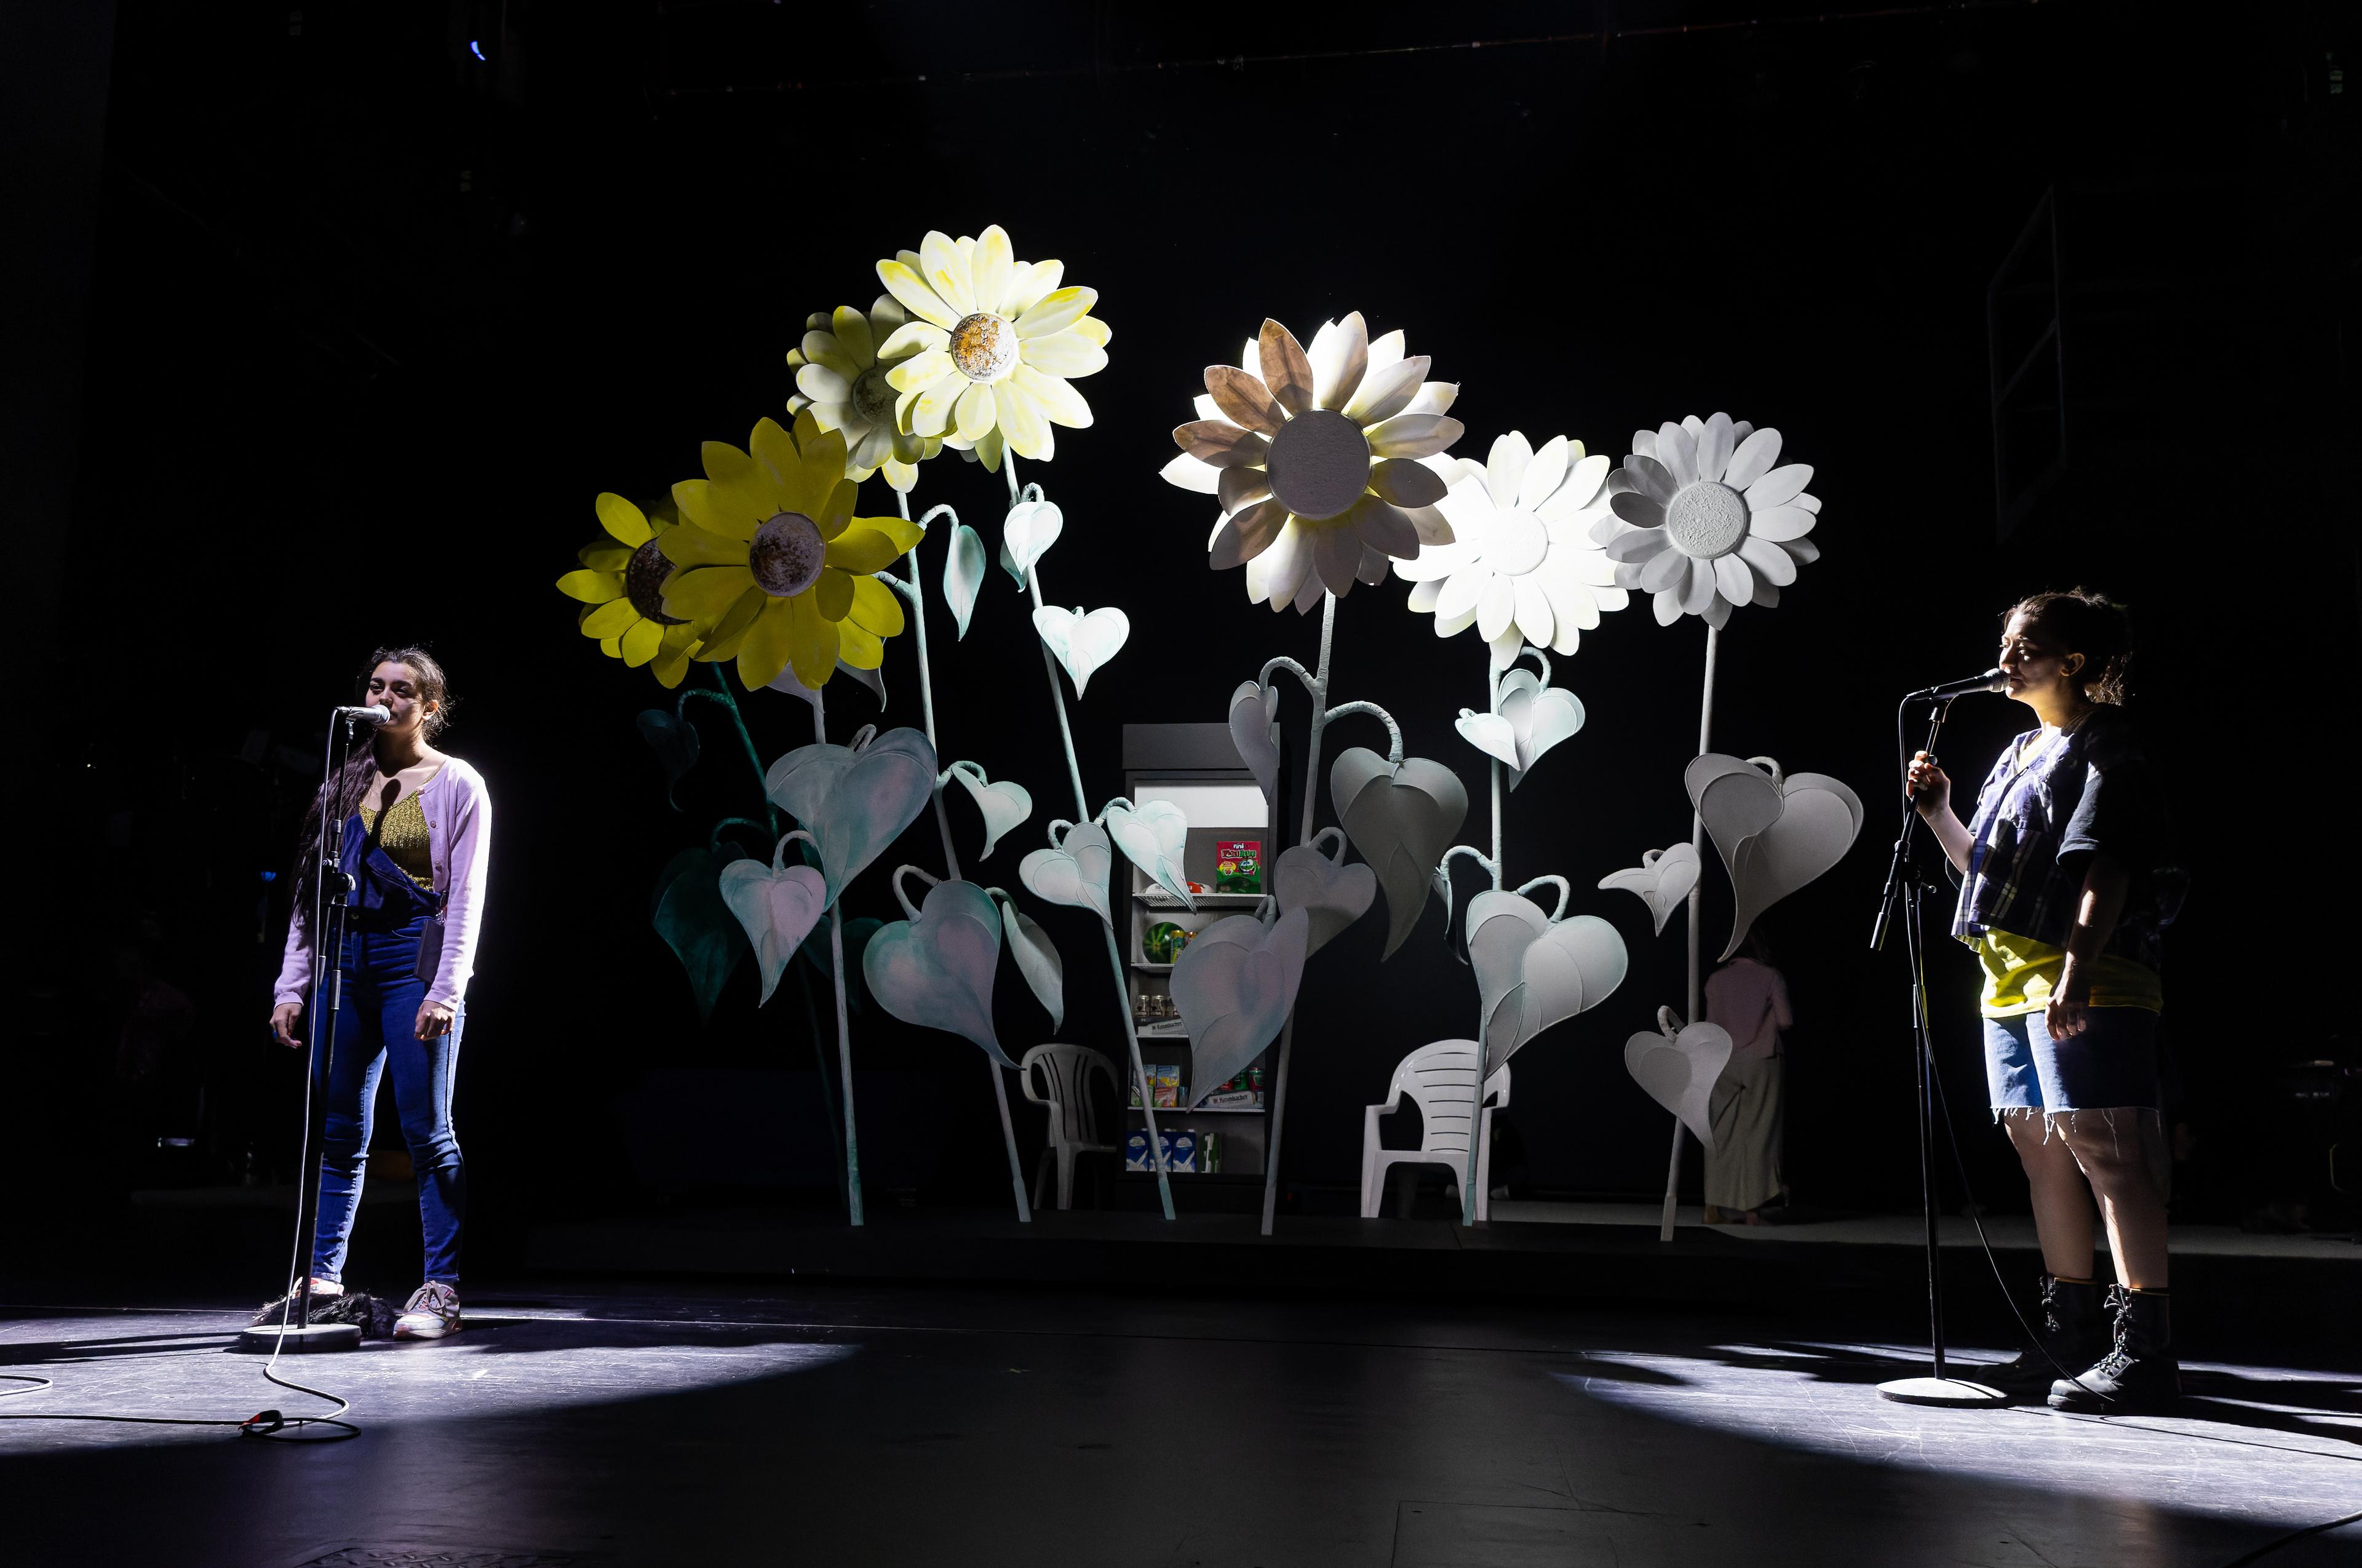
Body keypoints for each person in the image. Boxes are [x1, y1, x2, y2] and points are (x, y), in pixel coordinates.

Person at [1907, 589, 2185, 1410]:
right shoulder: (2019, 749)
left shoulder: (2110, 748)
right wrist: (1938, 815)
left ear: (2072, 661)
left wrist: (2078, 971)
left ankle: (2146, 1350)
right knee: (2041, 1150)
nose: (2006, 657)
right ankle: (2066, 1333)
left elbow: (2111, 865)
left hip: (2086, 974)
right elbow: (1986, 875)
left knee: (2107, 1150)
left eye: (2025, 644)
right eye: (2005, 641)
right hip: (2007, 981)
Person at [263, 647, 490, 1340]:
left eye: (402, 689)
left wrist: (446, 989)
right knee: (338, 1133)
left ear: (430, 706)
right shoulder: (344, 781)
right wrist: (293, 983)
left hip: (412, 965)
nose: (385, 697)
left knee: (427, 1130)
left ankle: (441, 1286)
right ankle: (324, 1277)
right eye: (376, 685)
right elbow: (310, 896)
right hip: (346, 964)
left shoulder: (458, 782)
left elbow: (466, 895)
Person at [1703, 931, 1792, 1225]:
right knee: (1758, 1135)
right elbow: (1785, 1020)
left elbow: (1711, 1026)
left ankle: (1714, 1204)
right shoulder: (1770, 976)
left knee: (1722, 1133)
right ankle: (1751, 1210)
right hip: (1762, 1060)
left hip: (1725, 1062)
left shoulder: (1716, 980)